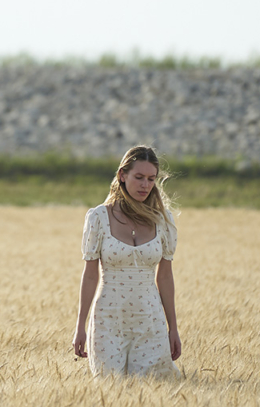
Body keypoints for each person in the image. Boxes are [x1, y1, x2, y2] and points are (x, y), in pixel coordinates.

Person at [71, 145, 181, 378]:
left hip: (150, 320)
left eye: (151, 179)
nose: (145, 185)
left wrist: (173, 328)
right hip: (108, 322)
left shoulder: (164, 221)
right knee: (109, 387)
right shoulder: (99, 217)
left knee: (153, 390)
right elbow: (90, 274)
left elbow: (165, 276)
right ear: (122, 175)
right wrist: (80, 326)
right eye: (139, 177)